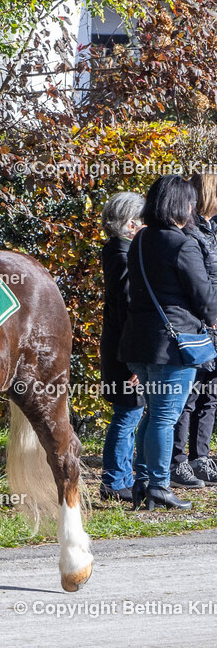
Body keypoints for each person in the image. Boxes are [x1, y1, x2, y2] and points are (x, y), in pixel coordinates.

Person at [119, 175, 217, 511]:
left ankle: (143, 483)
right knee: (164, 417)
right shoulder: (182, 243)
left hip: (140, 342)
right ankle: (159, 486)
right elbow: (203, 296)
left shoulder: (141, 239)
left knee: (152, 414)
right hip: (174, 343)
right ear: (181, 204)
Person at [170, 171, 217, 488]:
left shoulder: (211, 230)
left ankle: (201, 457)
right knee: (189, 395)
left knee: (210, 395)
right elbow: (200, 284)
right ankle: (178, 462)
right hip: (201, 323)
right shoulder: (192, 233)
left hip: (212, 321)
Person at [99, 192, 145, 502]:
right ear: (130, 224)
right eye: (142, 221)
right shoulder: (124, 256)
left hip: (118, 349)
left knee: (129, 414)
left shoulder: (117, 251)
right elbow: (128, 310)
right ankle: (114, 481)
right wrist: (134, 362)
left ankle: (121, 477)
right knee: (127, 415)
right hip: (124, 352)